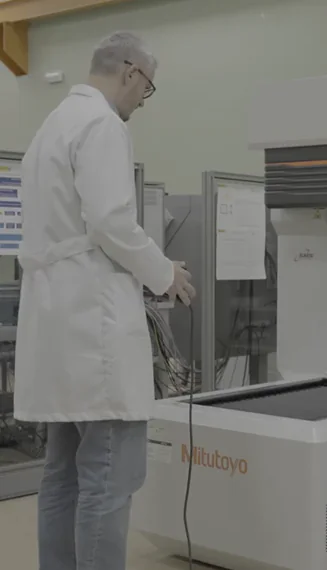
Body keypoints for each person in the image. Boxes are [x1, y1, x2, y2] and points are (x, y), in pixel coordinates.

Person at [14, 31, 196, 570]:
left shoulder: (51, 125)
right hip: (93, 328)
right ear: (131, 72)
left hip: (55, 324)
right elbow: (112, 222)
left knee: (62, 476)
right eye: (147, 87)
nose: (143, 99)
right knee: (110, 477)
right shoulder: (103, 124)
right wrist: (165, 273)